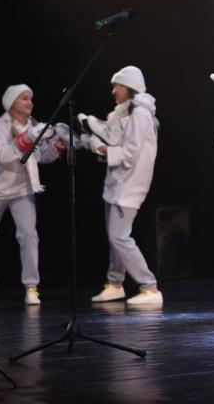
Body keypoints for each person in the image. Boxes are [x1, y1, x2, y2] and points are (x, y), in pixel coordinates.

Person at [87, 66, 164, 305]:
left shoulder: (141, 114)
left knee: (119, 236)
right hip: (116, 183)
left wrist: (102, 149)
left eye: (117, 86)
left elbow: (130, 153)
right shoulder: (125, 113)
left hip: (129, 186)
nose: (113, 91)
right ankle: (115, 284)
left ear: (129, 87)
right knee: (115, 238)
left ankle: (150, 287)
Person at [0, 84, 62, 304]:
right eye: (24, 98)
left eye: (30, 98)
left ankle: (31, 287)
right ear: (12, 103)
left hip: (22, 190)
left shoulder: (33, 125)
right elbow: (2, 155)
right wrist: (26, 139)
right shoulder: (0, 126)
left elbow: (40, 157)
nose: (29, 102)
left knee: (28, 235)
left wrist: (56, 147)